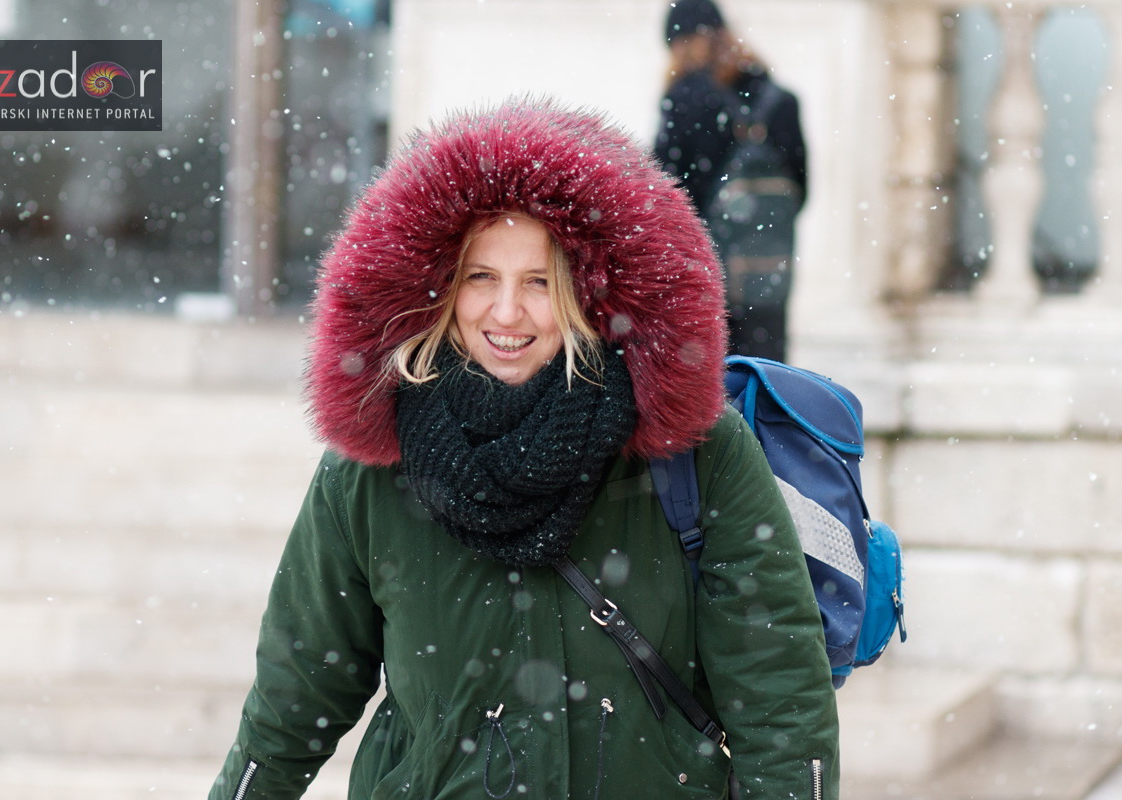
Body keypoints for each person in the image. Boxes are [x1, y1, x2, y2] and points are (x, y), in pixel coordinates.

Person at [209, 98, 838, 800]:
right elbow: (294, 699)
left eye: (541, 282)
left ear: (590, 294)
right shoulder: (372, 470)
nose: (506, 314)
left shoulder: (696, 454)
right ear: (441, 287)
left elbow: (778, 694)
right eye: (481, 277)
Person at [655, 0, 808, 363]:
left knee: (710, 383)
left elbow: (664, 192)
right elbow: (800, 190)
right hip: (766, 266)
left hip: (704, 274)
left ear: (683, 43)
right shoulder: (779, 101)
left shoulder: (684, 100)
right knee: (765, 373)